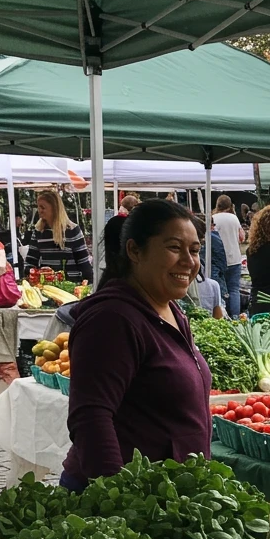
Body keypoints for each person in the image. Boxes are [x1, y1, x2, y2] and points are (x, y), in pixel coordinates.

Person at [60, 201, 213, 489]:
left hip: (164, 495)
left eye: (194, 250)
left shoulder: (170, 310)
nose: (189, 261)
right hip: (124, 502)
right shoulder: (112, 318)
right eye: (174, 247)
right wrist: (117, 499)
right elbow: (91, 417)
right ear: (134, 251)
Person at [26, 189, 93, 282]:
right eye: (38, 207)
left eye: (43, 207)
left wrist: (90, 285)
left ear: (54, 208)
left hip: (72, 285)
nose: (39, 210)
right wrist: (29, 278)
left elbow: (84, 263)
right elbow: (30, 261)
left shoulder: (73, 230)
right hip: (46, 286)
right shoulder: (38, 232)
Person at [212, 195, 244, 318]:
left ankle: (221, 317)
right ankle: (236, 316)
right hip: (235, 259)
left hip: (218, 260)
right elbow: (242, 237)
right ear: (230, 206)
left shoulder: (213, 218)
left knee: (219, 290)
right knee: (234, 290)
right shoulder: (234, 218)